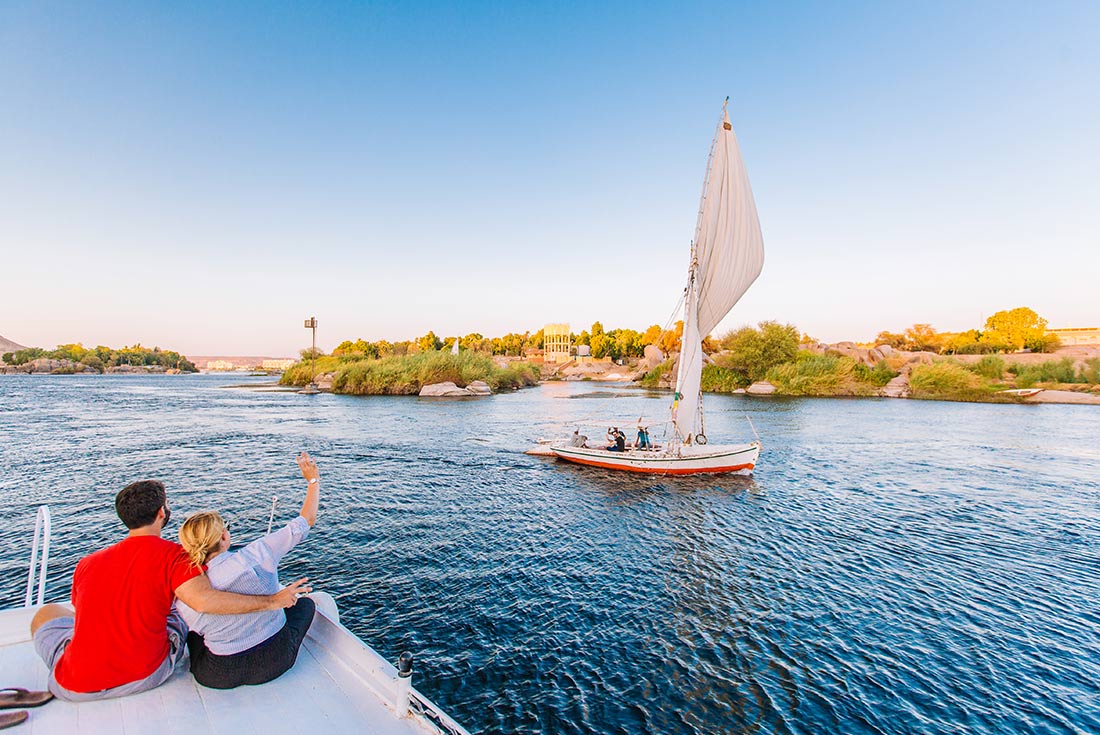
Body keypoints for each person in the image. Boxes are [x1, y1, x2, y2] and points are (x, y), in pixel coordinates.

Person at [30, 479, 309, 702]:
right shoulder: (176, 558)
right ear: (162, 513)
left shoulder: (87, 563)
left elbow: (83, 611)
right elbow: (204, 601)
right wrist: (272, 601)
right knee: (178, 612)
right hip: (147, 674)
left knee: (45, 614)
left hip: (72, 685)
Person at [176, 451, 321, 689]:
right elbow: (306, 520)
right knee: (306, 605)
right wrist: (312, 480)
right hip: (276, 660)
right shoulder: (259, 553)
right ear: (224, 535)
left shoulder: (186, 592)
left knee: (194, 636)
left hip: (218, 675)